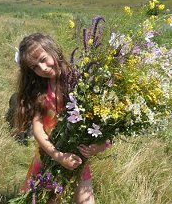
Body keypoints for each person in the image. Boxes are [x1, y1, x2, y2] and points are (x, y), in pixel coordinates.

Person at [13, 33, 108, 204]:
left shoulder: (81, 80)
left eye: (43, 59)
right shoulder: (40, 90)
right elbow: (37, 128)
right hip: (49, 155)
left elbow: (102, 123)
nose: (42, 68)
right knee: (49, 199)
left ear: (53, 50)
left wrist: (97, 147)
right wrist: (58, 156)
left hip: (77, 157)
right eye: (35, 67)